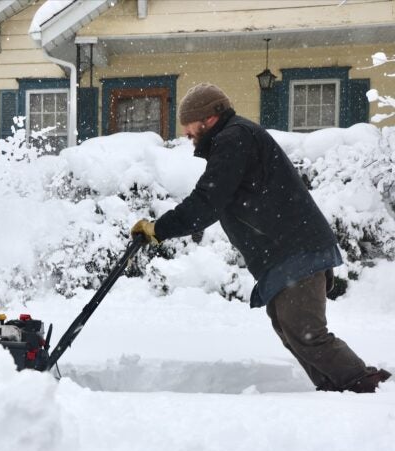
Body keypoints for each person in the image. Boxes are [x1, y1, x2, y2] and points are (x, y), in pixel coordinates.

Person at [131, 83, 391, 393]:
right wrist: (167, 228)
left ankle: (365, 387)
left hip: (296, 251)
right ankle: (337, 390)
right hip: (286, 254)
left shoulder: (234, 138)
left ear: (210, 118)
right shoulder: (233, 139)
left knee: (306, 332)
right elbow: (213, 202)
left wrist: (159, 229)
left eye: (189, 123)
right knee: (289, 328)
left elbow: (207, 202)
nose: (186, 131)